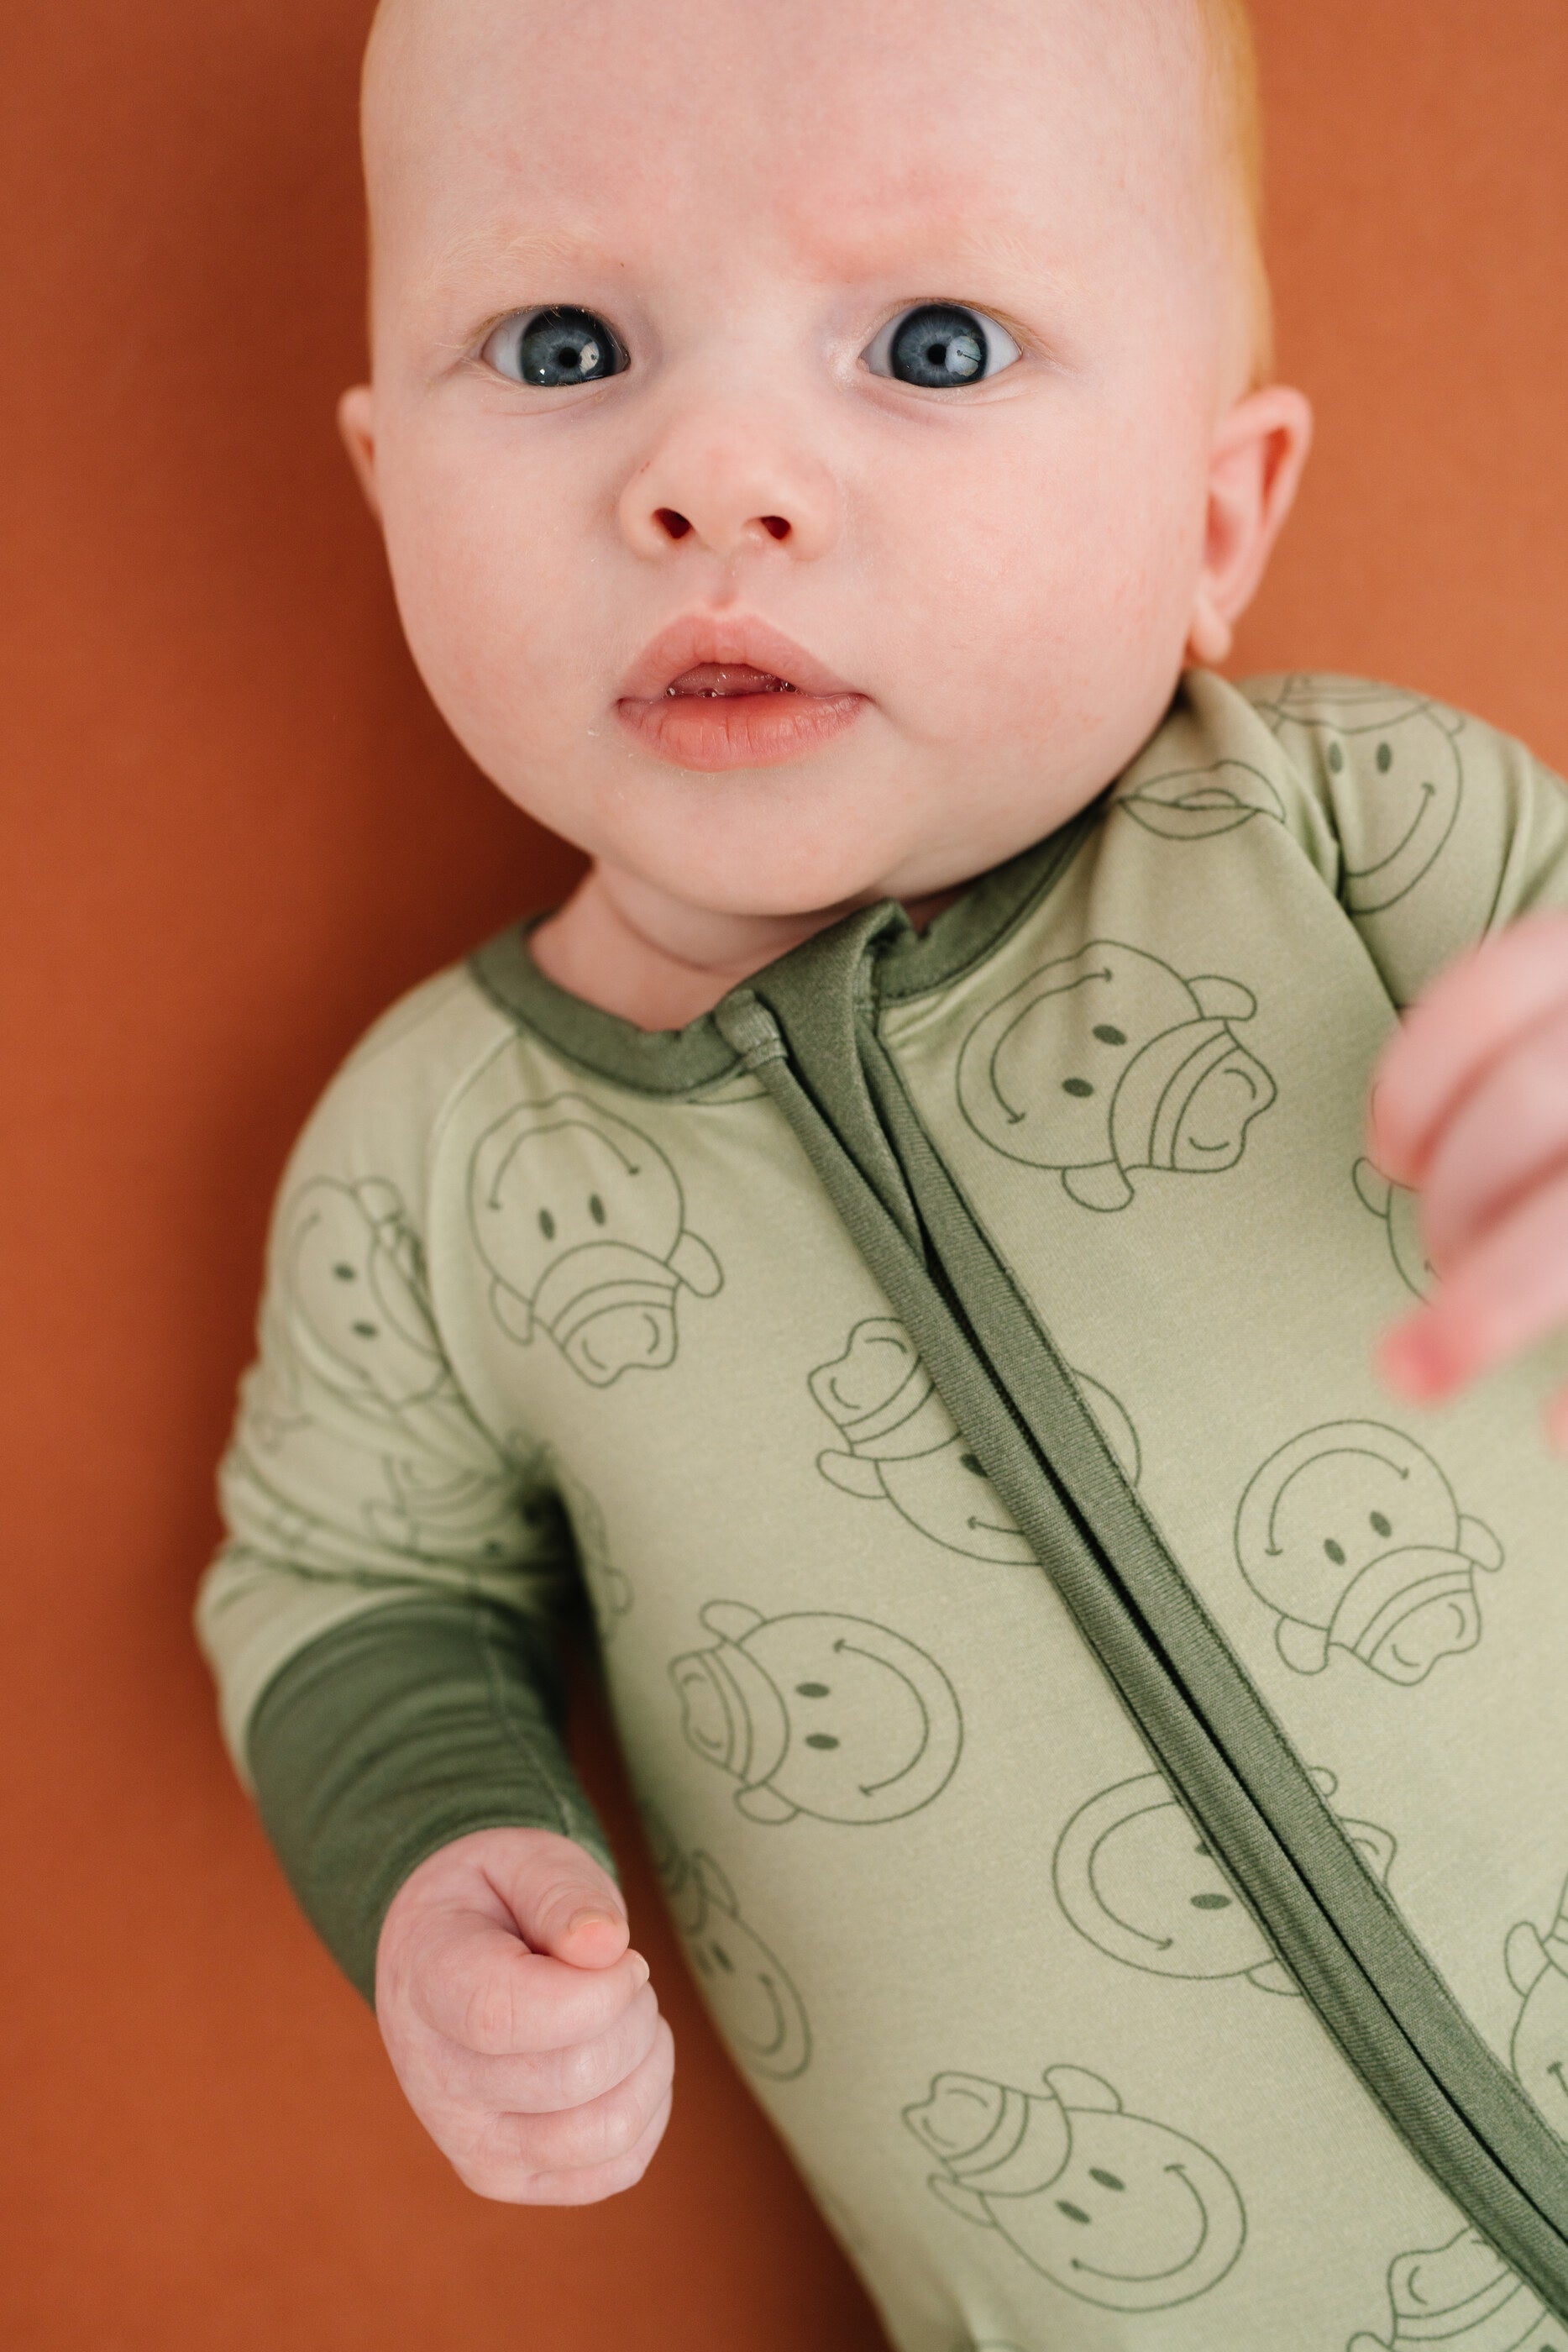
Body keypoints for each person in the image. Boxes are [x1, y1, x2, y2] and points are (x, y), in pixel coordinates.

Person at [197, 0, 1568, 2342]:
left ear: (1212, 515)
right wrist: (435, 1861)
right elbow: (345, 1580)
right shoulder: (442, 1165)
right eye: (562, 346)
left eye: (933, 342)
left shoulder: (1366, 839)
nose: (717, 477)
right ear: (385, 484)